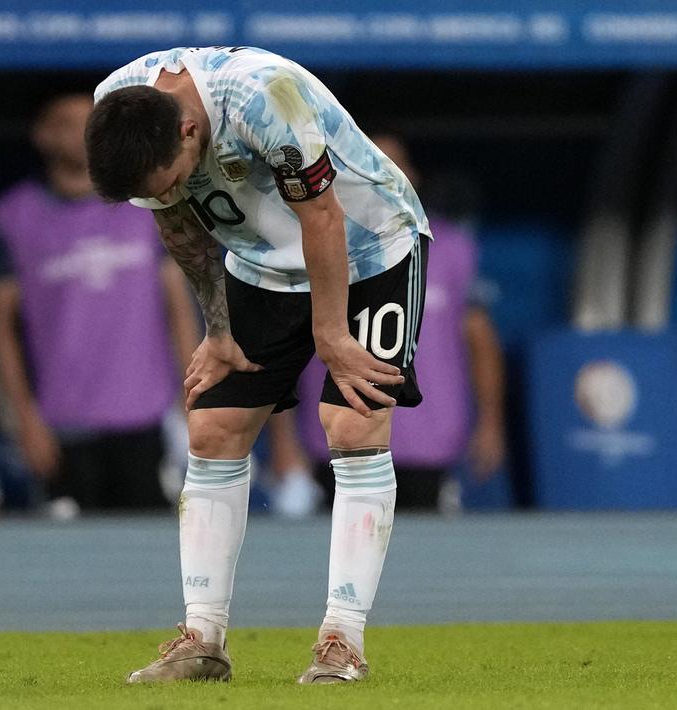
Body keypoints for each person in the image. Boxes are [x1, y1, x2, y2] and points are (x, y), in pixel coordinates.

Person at [86, 47, 431, 684]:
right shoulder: (122, 106)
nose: (165, 194)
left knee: (352, 422)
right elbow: (179, 224)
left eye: (170, 178)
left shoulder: (266, 99)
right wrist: (217, 331)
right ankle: (201, 641)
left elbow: (321, 216)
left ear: (190, 129)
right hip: (263, 267)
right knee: (213, 428)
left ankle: (341, 641)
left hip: (371, 247)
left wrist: (330, 333)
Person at [0, 93, 198, 513]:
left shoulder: (147, 201)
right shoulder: (14, 215)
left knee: (149, 558)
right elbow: (1, 327)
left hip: (145, 420)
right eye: (68, 122)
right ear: (43, 135)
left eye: (92, 121)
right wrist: (26, 420)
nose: (84, 133)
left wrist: (193, 402)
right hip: (63, 426)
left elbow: (179, 306)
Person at [277, 132, 506, 512]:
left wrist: (491, 422)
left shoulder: (450, 248)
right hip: (340, 439)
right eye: (370, 165)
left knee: (425, 562)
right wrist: (284, 438)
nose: (382, 177)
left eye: (394, 167)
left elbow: (480, 340)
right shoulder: (316, 246)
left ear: (411, 177)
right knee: (342, 561)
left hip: (428, 441)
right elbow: (288, 345)